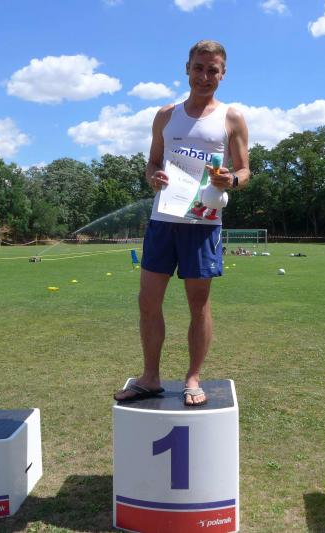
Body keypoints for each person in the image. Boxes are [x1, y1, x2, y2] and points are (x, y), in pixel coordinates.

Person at [113, 40, 250, 406]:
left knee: (198, 304)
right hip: (164, 219)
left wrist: (231, 180)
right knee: (147, 301)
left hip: (203, 222)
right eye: (198, 68)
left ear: (223, 74)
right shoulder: (165, 115)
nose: (204, 76)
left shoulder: (232, 118)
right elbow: (152, 163)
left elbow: (244, 170)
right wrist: (153, 177)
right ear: (187, 69)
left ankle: (193, 377)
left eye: (212, 70)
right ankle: (150, 377)